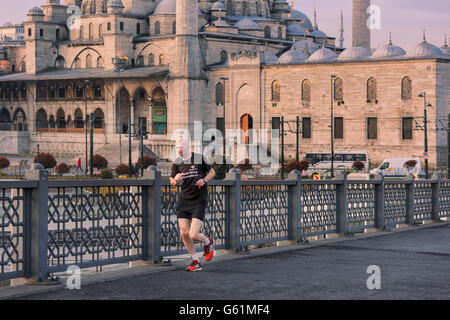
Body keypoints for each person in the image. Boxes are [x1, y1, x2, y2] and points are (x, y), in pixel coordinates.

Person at [170, 137, 216, 272]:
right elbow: (172, 181)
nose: (179, 150)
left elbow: (212, 172)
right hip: (184, 201)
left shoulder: (199, 158)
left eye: (181, 148)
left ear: (188, 147)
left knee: (193, 234)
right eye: (177, 148)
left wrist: (205, 180)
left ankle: (208, 242)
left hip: (198, 201)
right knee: (184, 232)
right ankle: (195, 261)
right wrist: (175, 180)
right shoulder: (177, 163)